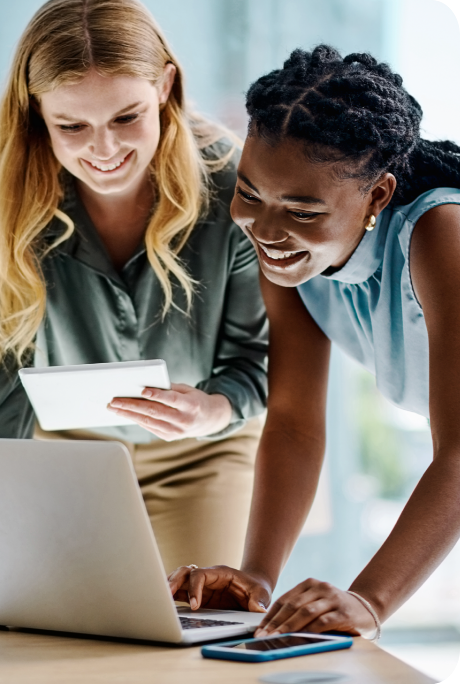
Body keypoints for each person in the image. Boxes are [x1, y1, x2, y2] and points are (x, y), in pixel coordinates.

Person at [0, 0, 268, 620]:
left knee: (196, 629)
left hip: (205, 449)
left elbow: (257, 360)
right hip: (67, 453)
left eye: (127, 115)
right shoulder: (0, 204)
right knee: (47, 625)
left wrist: (213, 408)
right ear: (37, 113)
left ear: (165, 86)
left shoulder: (232, 185)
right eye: (72, 127)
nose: (105, 148)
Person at [169, 45, 460, 640]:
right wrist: (255, 576)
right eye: (250, 194)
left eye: (302, 210)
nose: (268, 231)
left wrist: (370, 603)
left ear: (378, 195)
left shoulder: (441, 236)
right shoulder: (288, 260)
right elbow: (296, 420)